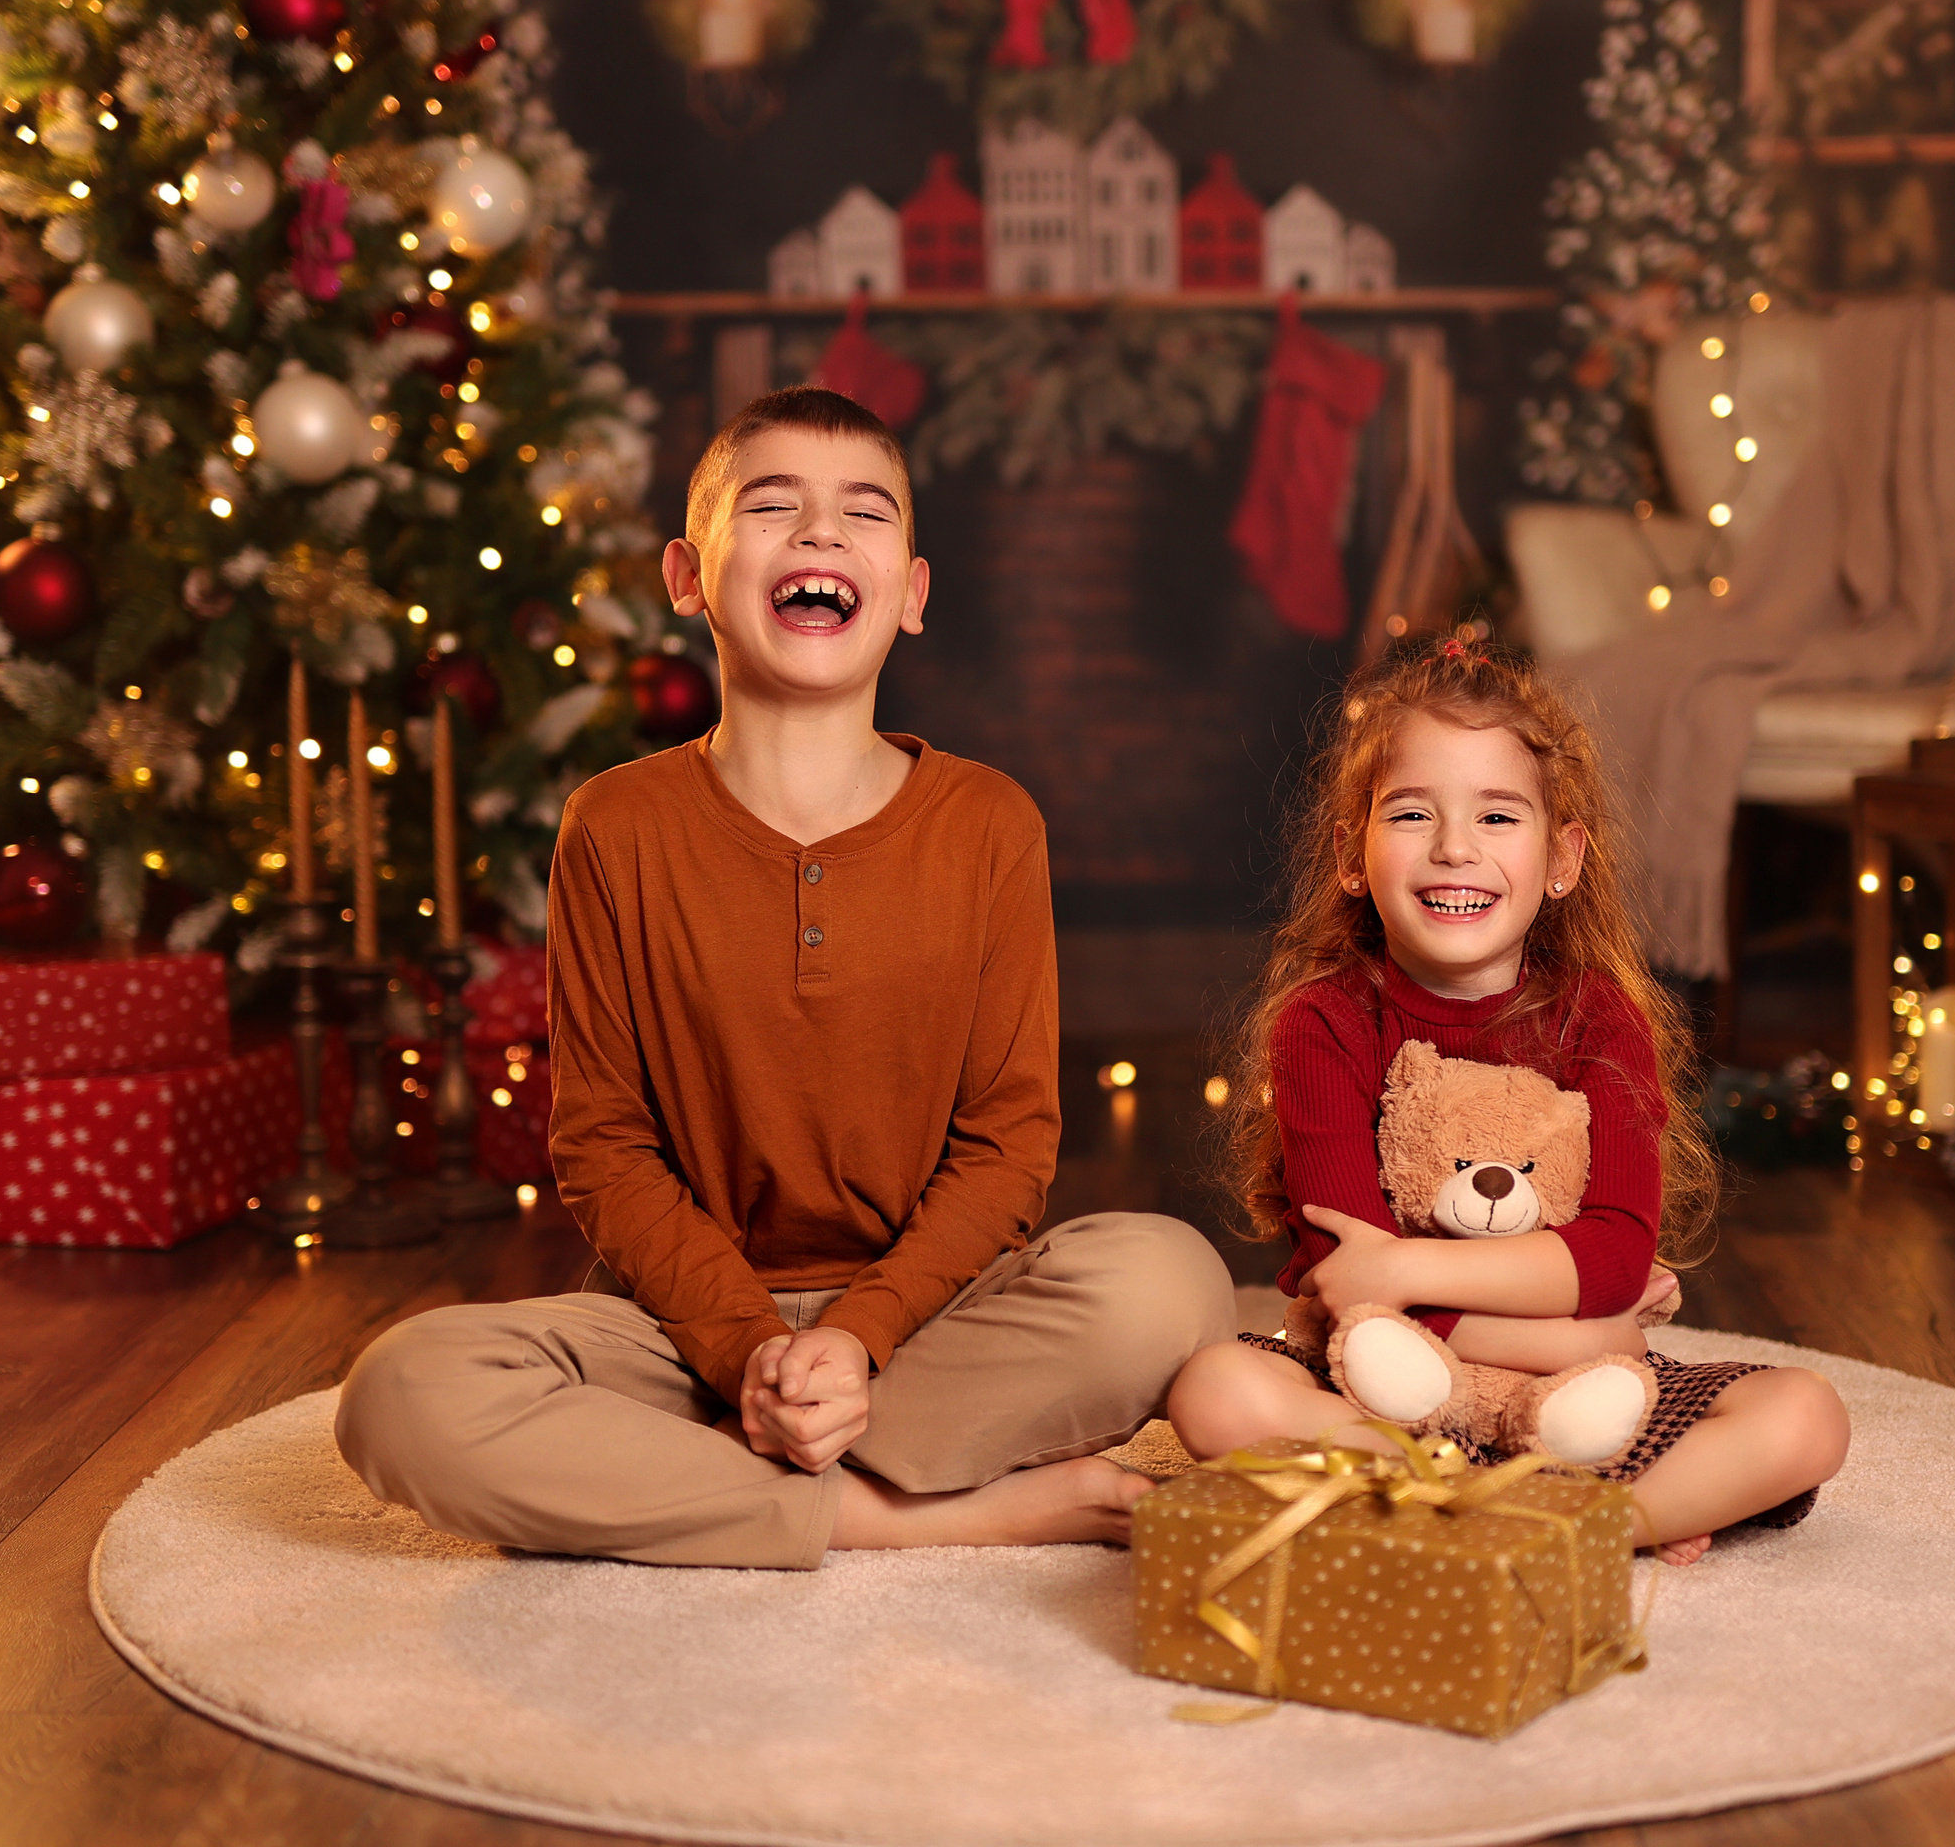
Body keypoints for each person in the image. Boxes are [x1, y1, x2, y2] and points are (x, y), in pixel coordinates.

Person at [335, 386, 1235, 1568]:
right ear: (687, 576)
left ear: (909, 594)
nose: (819, 535)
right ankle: (913, 1514)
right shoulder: (613, 826)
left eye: (863, 514)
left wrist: (855, 1340)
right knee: (402, 1391)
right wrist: (745, 1349)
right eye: (773, 507)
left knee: (1171, 1283)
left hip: (928, 1325)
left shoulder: (988, 822)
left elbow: (1009, 1146)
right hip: (681, 1338)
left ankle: (700, 1482)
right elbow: (602, 1145)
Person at [1165, 637, 1849, 1563]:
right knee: (1213, 1391)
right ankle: (1544, 1517)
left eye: (1497, 816)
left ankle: (1529, 1517)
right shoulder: (1322, 1024)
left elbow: (1611, 1256)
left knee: (1806, 1418)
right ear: (1351, 854)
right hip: (1383, 1397)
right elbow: (1346, 1285)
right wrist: (1582, 1331)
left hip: (1570, 1410)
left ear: (1562, 856)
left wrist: (1415, 1275)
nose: (1455, 848)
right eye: (1411, 814)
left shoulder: (1601, 1018)